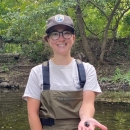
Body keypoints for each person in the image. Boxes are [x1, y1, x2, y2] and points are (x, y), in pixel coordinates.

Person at [22, 14, 108, 130]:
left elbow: (88, 104)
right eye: (55, 34)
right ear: (48, 39)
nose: (61, 38)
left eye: (66, 33)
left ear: (73, 38)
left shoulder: (87, 70)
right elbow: (33, 114)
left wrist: (86, 118)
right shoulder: (37, 72)